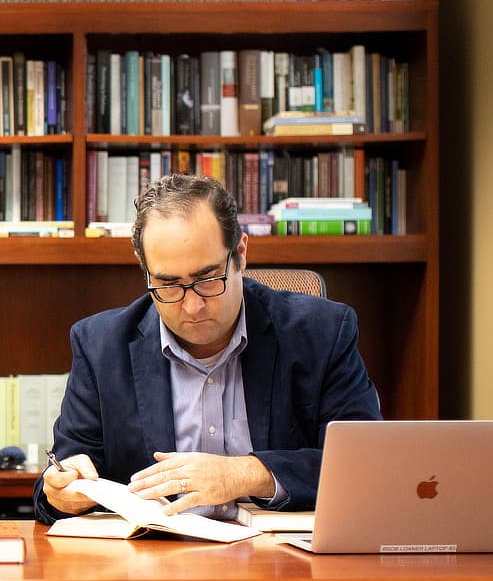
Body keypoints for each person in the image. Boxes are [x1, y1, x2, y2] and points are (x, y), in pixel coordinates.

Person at [34, 174, 381, 524]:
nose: (193, 306)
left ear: (240, 255)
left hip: (279, 561)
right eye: (168, 285)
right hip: (152, 563)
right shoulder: (101, 346)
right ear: (146, 273)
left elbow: (365, 464)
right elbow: (60, 481)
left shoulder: (321, 333)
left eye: (208, 278)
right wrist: (64, 493)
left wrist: (248, 474)